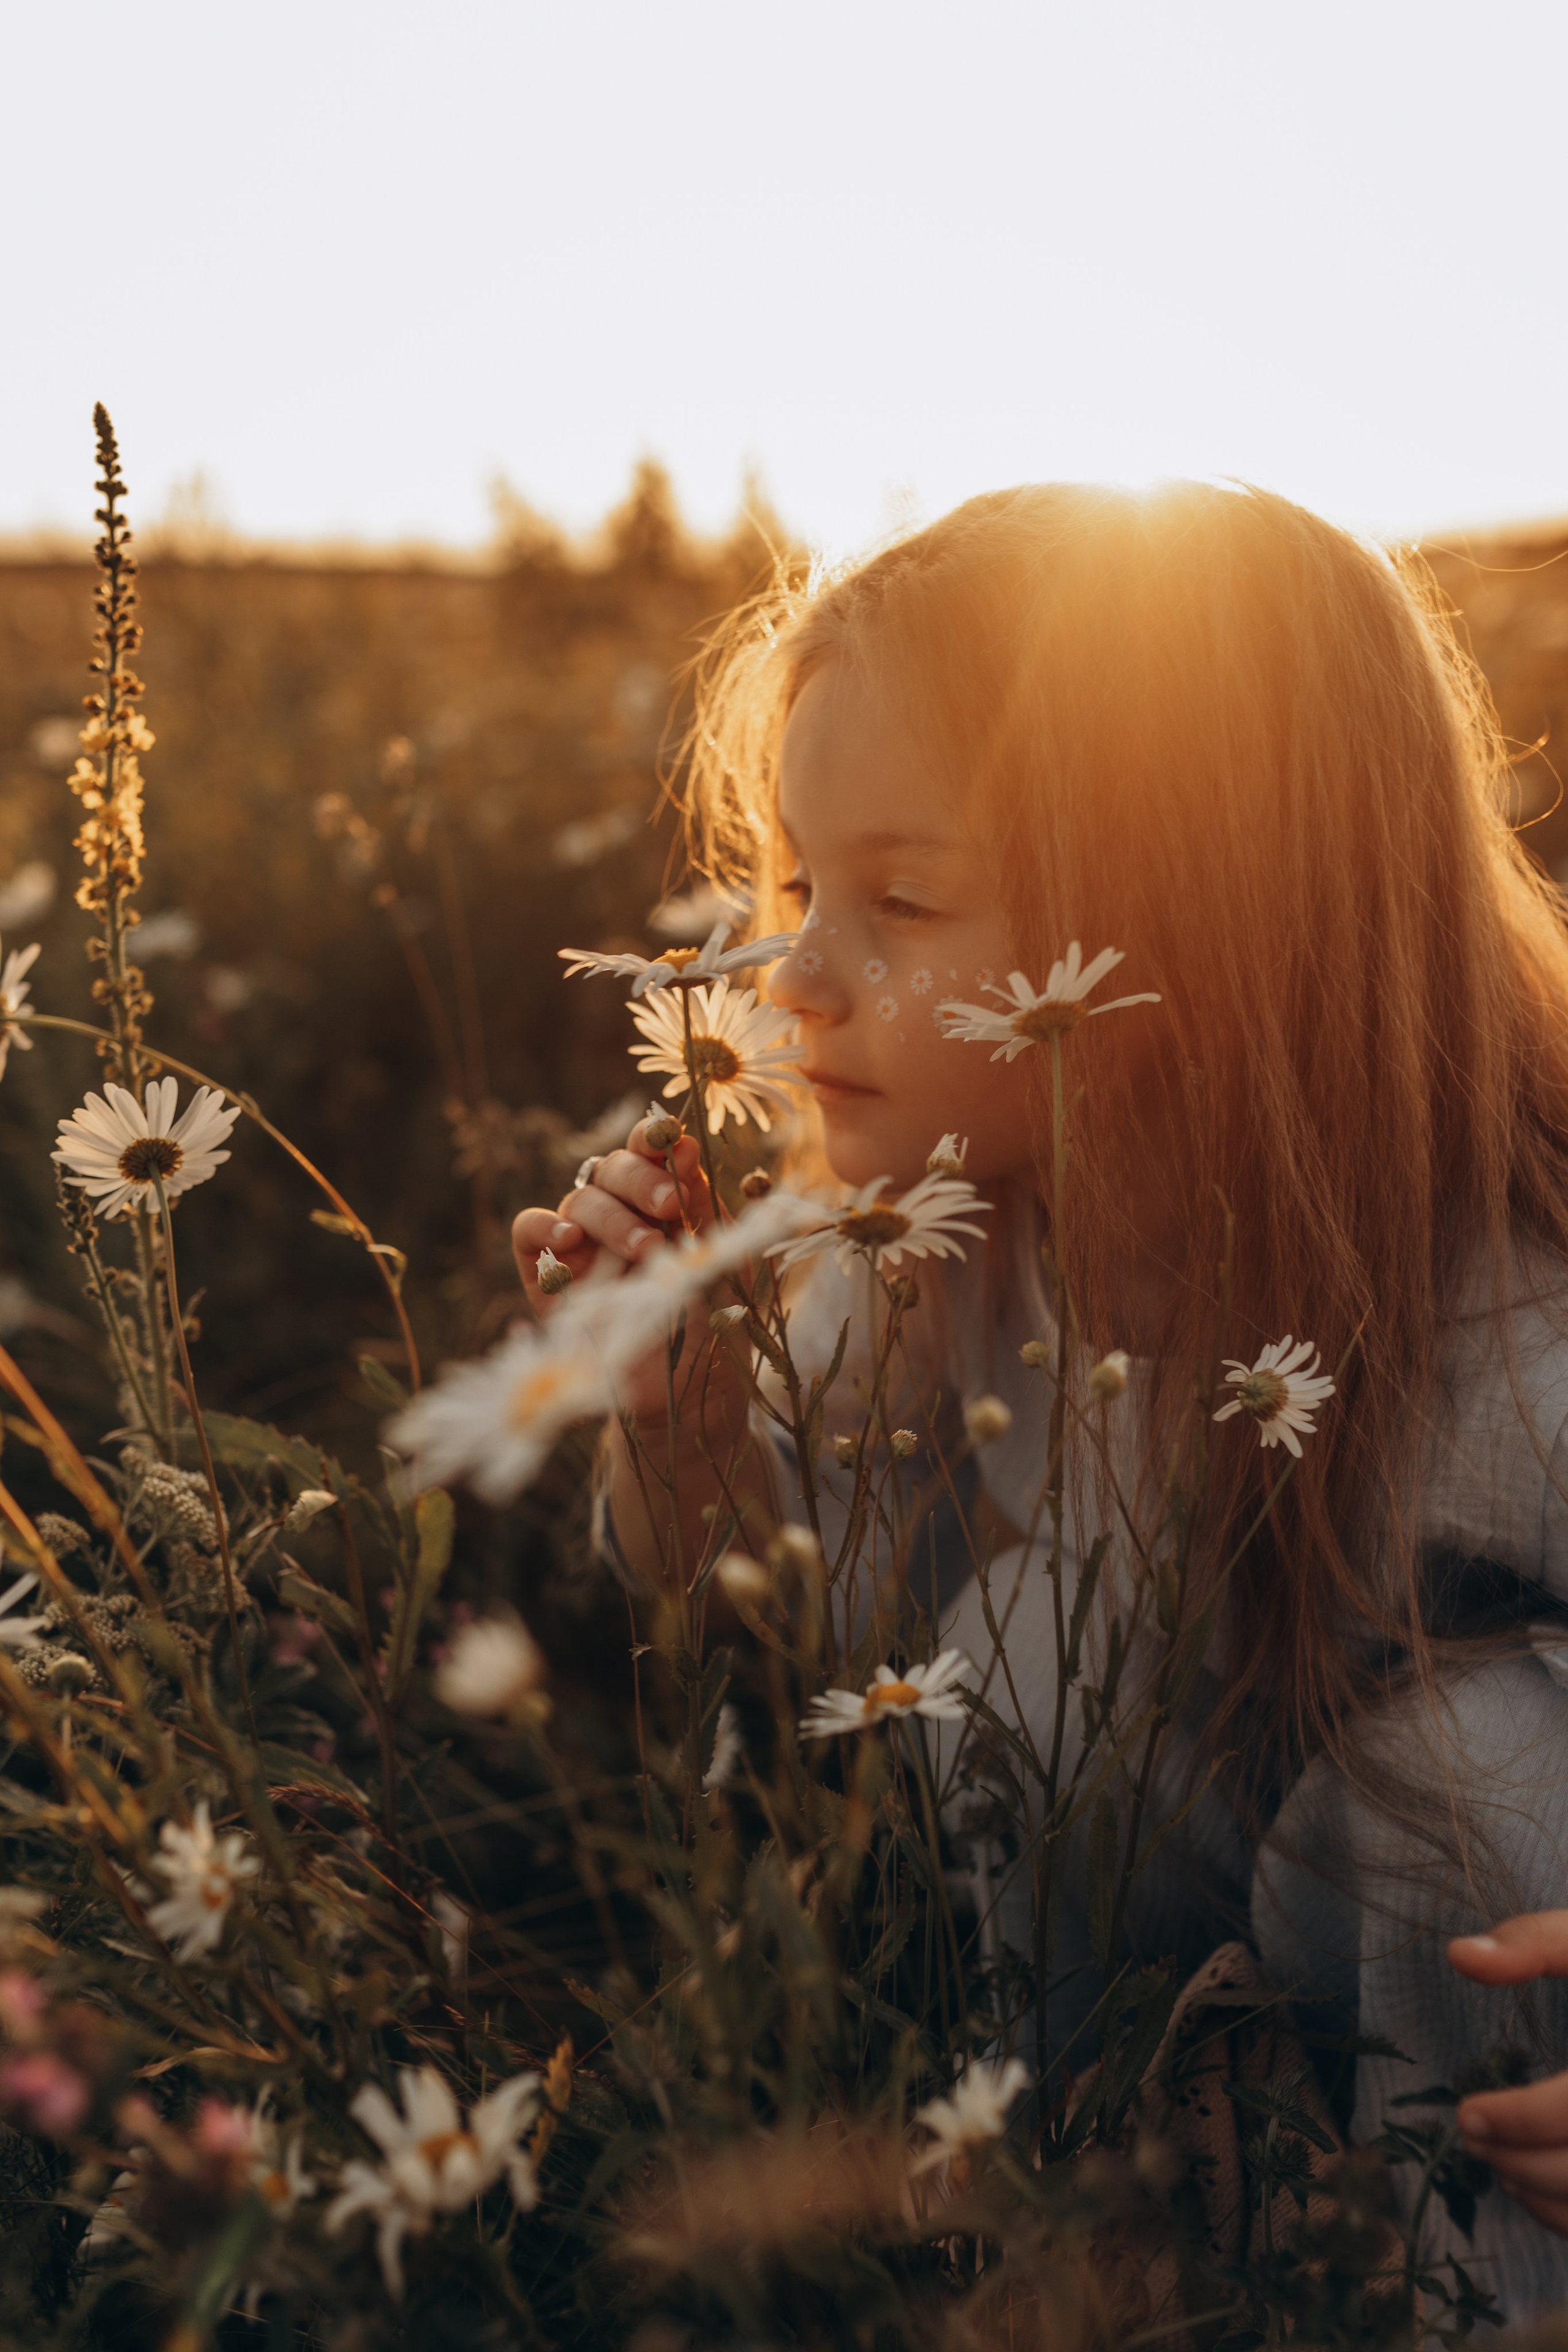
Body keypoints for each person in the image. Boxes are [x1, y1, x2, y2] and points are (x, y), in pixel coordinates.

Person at [513, 481, 1568, 2315]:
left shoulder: (1520, 1306)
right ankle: (1075, 2227)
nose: (796, 978)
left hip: (1487, 2007)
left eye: (901, 898)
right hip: (1156, 2019)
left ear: (1210, 905)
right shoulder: (949, 1232)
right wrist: (680, 1423)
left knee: (1466, 1788)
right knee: (1011, 1668)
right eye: (795, 889)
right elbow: (798, 1620)